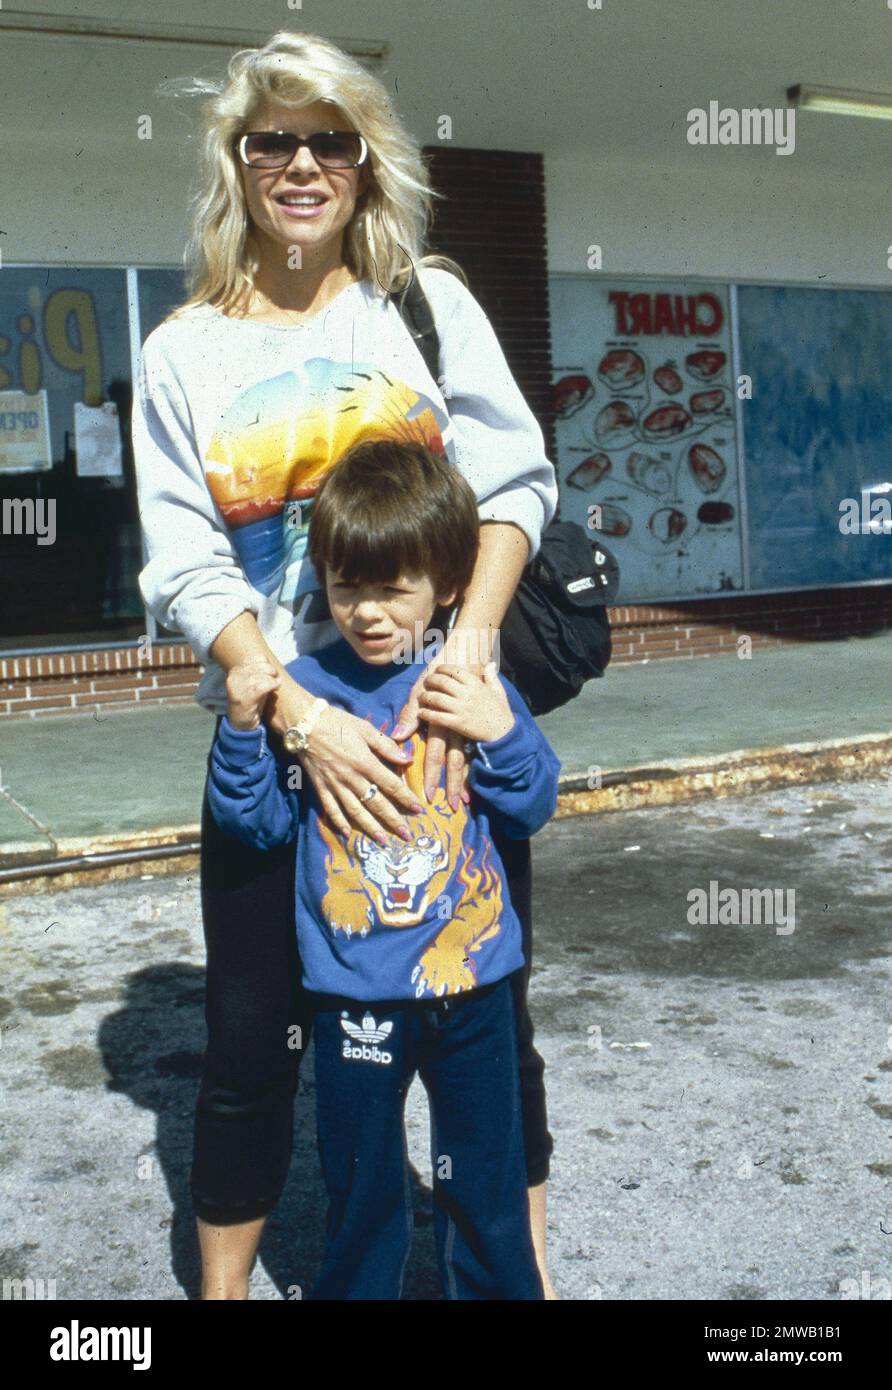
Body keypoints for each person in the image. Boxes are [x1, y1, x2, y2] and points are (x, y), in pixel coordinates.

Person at [131, 28, 560, 1300]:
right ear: (238, 162)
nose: (303, 162)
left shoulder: (420, 305)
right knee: (252, 1039)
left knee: (493, 1021)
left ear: (366, 166)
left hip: (443, 728)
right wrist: (302, 720)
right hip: (278, 739)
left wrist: (467, 657)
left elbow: (515, 483)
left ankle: (519, 1273)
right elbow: (185, 559)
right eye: (275, 139)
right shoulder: (182, 352)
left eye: (333, 139)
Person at [206, 440, 561, 1300]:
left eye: (391, 586)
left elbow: (532, 802)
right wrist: (246, 733)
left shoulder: (469, 679)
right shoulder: (306, 694)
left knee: (485, 1180)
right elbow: (253, 826)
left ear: (445, 585)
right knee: (362, 1189)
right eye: (345, 585)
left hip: (474, 986)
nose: (366, 612)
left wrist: (501, 730)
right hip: (356, 994)